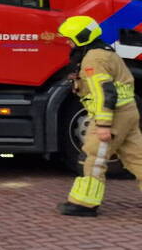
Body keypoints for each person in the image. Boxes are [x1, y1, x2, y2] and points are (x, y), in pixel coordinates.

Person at [56, 15, 142, 216]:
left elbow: (104, 92)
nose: (67, 42)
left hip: (113, 117)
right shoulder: (104, 52)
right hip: (127, 112)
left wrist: (103, 125)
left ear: (81, 37)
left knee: (93, 157)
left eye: (70, 38)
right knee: (138, 158)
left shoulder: (93, 59)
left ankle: (85, 204)